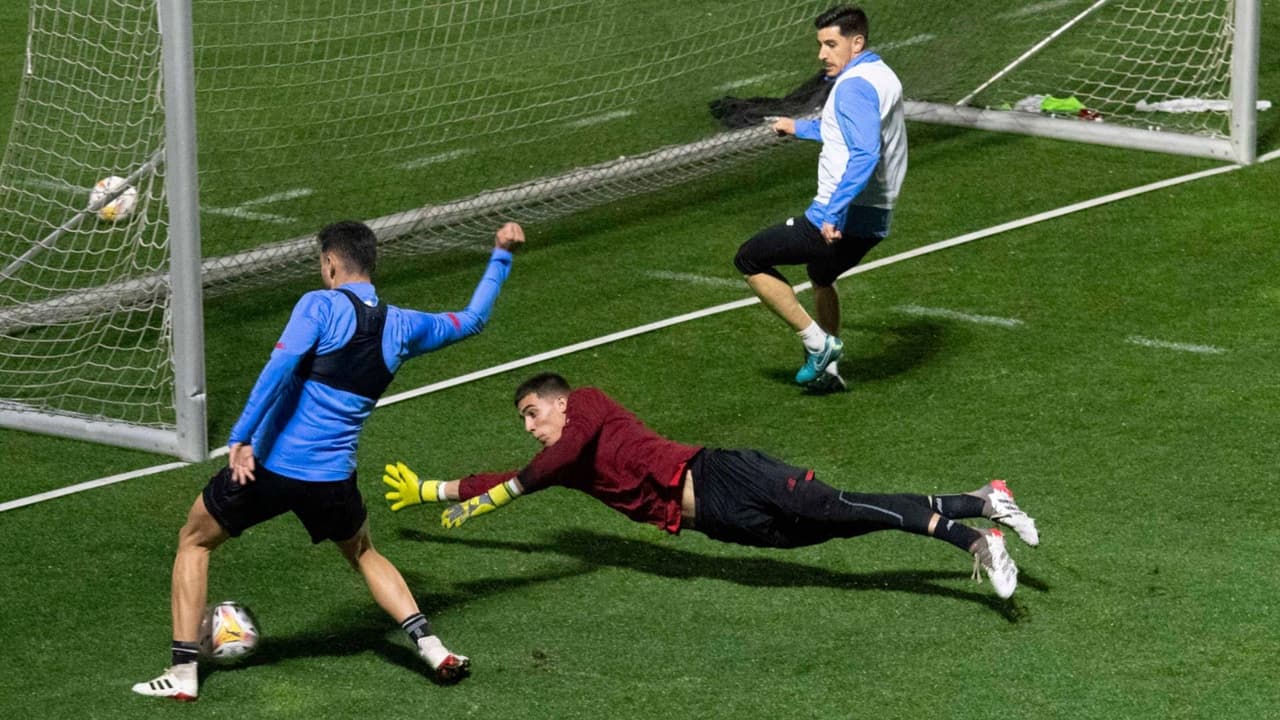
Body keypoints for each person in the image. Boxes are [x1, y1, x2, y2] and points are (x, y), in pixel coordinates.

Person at [133, 220, 525, 701]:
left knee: (194, 541)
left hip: (270, 468)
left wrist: (242, 436)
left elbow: (279, 366)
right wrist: (501, 254)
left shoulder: (318, 305)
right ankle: (432, 646)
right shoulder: (405, 325)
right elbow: (474, 319)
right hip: (333, 479)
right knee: (363, 553)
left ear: (331, 263)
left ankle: (183, 672)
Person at [383, 373, 1037, 600]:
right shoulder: (562, 462)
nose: (530, 428)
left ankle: (975, 541)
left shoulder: (588, 405)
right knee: (845, 522)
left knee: (841, 506)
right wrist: (434, 490)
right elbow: (508, 476)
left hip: (721, 472)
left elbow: (540, 469)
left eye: (532, 414)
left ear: (558, 402)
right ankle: (982, 499)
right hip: (717, 520)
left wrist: (498, 499)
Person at [734, 5, 907, 391]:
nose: (822, 54)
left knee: (749, 258)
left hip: (839, 214)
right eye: (821, 45)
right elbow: (847, 131)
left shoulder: (852, 87)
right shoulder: (881, 75)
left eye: (831, 44)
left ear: (856, 42)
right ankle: (829, 374)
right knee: (821, 274)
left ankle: (819, 344)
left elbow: (864, 153)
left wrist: (833, 212)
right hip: (876, 218)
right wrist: (799, 128)